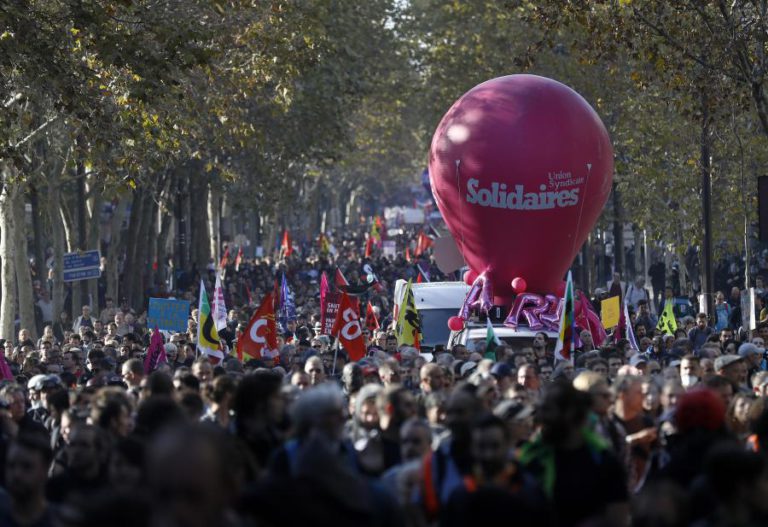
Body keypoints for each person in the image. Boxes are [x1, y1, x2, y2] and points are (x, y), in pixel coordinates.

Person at [519, 382, 629, 526]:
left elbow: (618, 517)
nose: (542, 418)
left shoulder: (602, 460)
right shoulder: (532, 458)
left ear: (573, 414)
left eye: (550, 410)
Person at [0, 433, 57, 527]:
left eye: (27, 467)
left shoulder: (60, 522)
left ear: (45, 469)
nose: (16, 474)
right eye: (11, 465)